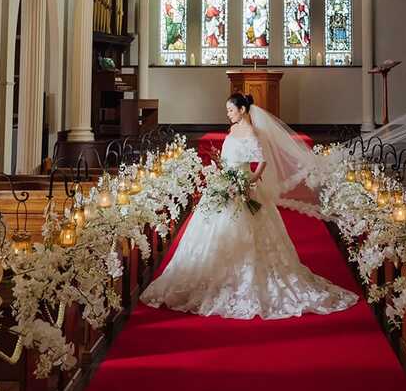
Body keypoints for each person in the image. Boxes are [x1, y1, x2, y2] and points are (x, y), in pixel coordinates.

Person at [140, 94, 357, 319]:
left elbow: (262, 160)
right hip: (225, 184)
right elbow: (227, 158)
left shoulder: (252, 133)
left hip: (243, 187)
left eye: (231, 110)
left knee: (252, 235)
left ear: (243, 109)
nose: (228, 113)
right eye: (227, 110)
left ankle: (246, 280)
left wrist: (251, 178)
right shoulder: (233, 130)